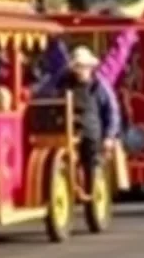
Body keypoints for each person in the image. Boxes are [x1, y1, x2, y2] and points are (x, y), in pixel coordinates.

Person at [42, 46, 120, 194]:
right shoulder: (62, 82)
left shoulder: (99, 86)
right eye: (77, 66)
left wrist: (109, 136)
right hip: (65, 129)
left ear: (90, 67)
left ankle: (91, 191)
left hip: (90, 131)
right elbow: (45, 94)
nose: (80, 70)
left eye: (84, 67)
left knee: (90, 156)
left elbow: (112, 111)